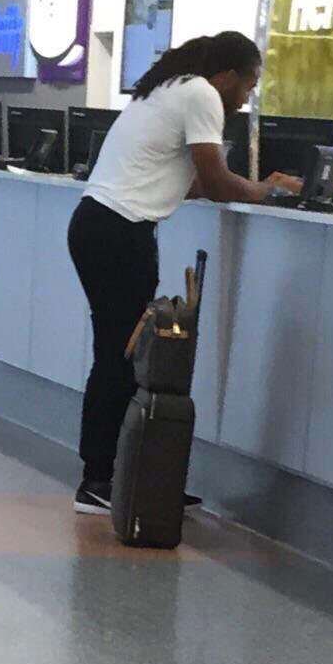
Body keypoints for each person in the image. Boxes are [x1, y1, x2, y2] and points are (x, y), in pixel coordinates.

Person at [68, 31, 301, 515]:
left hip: (99, 225)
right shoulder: (200, 94)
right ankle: (97, 481)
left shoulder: (170, 87)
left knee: (118, 355)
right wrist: (268, 188)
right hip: (120, 232)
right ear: (229, 76)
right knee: (122, 357)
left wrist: (249, 187)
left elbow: (187, 181)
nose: (247, 98)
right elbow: (216, 184)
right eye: (249, 85)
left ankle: (124, 479)